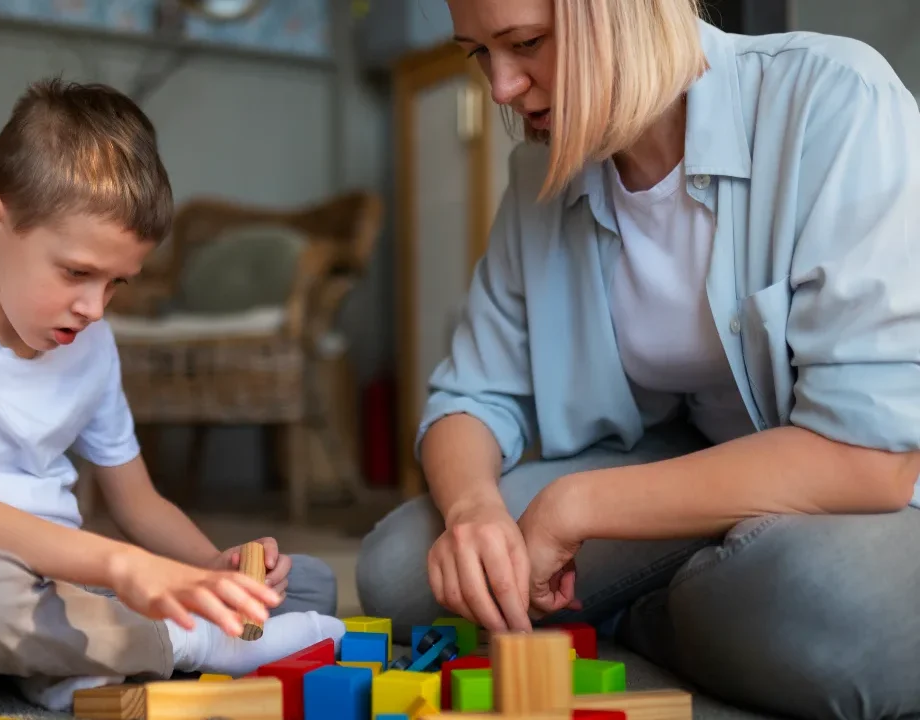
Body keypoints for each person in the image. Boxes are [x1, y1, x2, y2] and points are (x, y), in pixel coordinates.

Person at [356, 1, 920, 718]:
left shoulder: (836, 100)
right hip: (691, 462)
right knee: (407, 569)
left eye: (526, 43)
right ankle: (709, 602)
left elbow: (871, 458)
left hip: (877, 486)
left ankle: (646, 616)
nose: (500, 87)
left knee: (828, 608)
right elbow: (469, 398)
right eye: (477, 54)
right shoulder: (538, 176)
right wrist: (473, 512)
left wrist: (575, 506)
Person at [0, 78, 343, 713]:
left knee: (307, 584)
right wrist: (128, 569)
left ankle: (76, 657)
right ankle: (189, 646)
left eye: (116, 283)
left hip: (69, 589)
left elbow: (139, 503)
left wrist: (213, 567)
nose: (94, 308)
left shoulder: (91, 345)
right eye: (76, 273)